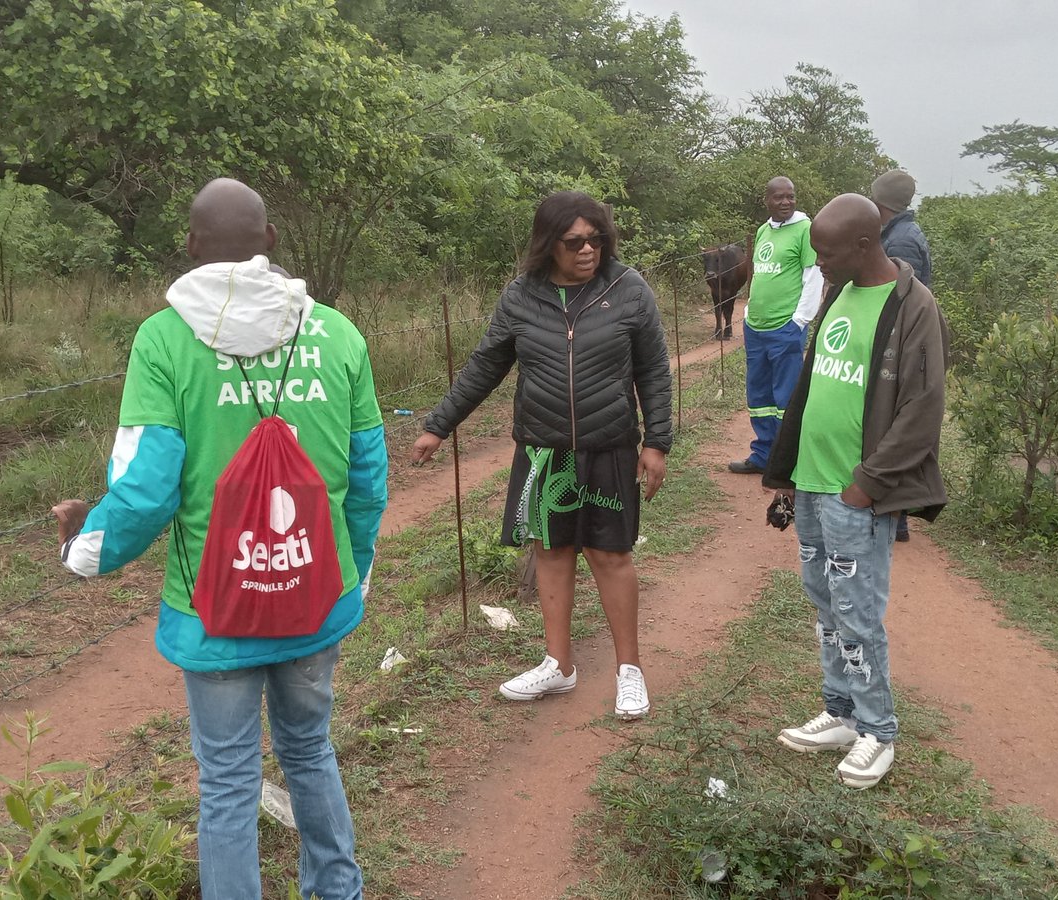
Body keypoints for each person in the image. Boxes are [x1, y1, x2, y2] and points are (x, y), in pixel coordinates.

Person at [52, 178, 387, 900]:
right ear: (271, 241)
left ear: (191, 246)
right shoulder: (338, 333)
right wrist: (352, 571)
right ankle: (339, 890)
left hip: (214, 610)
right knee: (310, 749)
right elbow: (367, 476)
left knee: (230, 780)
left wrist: (85, 548)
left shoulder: (163, 339)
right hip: (315, 591)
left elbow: (146, 488)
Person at [410, 190, 673, 721]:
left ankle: (629, 671)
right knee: (550, 551)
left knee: (610, 555)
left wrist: (656, 442)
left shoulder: (628, 289)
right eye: (573, 242)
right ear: (548, 243)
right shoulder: (521, 297)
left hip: (609, 446)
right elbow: (485, 366)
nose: (587, 250)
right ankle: (558, 664)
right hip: (543, 451)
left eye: (595, 239)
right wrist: (439, 425)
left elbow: (652, 369)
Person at [763, 193, 949, 789]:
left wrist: (866, 485)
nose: (818, 263)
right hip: (812, 483)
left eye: (826, 253)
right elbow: (814, 385)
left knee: (857, 613)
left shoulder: (914, 307)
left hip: (855, 493)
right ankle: (841, 714)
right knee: (825, 607)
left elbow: (922, 410)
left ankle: (878, 730)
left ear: (864, 245)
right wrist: (789, 474)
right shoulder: (838, 293)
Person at [729, 176, 823, 475]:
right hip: (756, 327)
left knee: (786, 396)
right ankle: (763, 455)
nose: (786, 202)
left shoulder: (805, 230)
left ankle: (787, 461)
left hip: (786, 327)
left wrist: (799, 321)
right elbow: (759, 273)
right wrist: (748, 313)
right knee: (759, 395)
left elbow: (813, 277)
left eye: (790, 196)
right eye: (779, 197)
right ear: (766, 200)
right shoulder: (763, 231)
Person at [870, 169, 933, 542]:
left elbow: (901, 300)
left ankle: (898, 518)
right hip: (904, 344)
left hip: (902, 346)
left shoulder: (902, 241)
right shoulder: (901, 232)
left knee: (893, 425)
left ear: (881, 202)